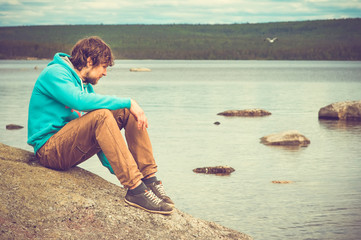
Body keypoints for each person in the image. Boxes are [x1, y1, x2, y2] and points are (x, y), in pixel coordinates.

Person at [27, 36, 174, 215]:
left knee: (126, 112)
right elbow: (78, 101)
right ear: (89, 61)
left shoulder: (85, 86)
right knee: (106, 113)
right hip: (49, 150)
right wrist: (128, 101)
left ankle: (148, 180)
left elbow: (103, 138)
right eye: (104, 66)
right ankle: (136, 189)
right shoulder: (55, 73)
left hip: (69, 148)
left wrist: (127, 173)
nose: (105, 72)